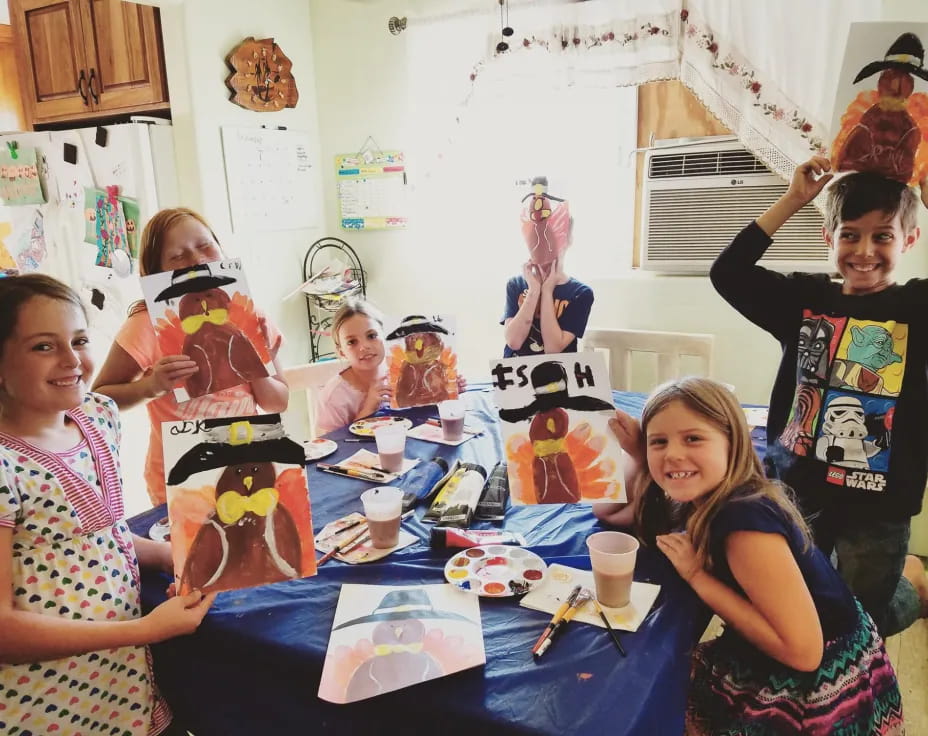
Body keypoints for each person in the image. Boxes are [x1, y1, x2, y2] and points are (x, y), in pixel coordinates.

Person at [605, 377, 904, 734]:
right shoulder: (708, 493)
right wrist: (638, 455)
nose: (672, 454)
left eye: (693, 438)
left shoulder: (744, 526)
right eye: (660, 441)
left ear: (733, 444)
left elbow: (804, 654)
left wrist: (697, 577)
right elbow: (610, 513)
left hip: (815, 679)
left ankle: (911, 585)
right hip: (783, 641)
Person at [709, 156, 928, 636]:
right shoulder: (804, 299)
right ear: (828, 238)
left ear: (909, 240)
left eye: (883, 236)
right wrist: (792, 200)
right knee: (790, 601)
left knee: (859, 624)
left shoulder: (917, 307)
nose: (864, 250)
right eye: (849, 234)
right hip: (796, 488)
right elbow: (727, 272)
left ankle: (913, 584)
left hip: (879, 507)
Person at [0, 274, 215, 735]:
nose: (72, 360)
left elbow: (100, 536)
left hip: (127, 691)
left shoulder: (98, 416)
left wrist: (174, 555)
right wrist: (147, 629)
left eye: (79, 339)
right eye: (43, 346)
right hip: (45, 708)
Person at [92, 207, 289, 506]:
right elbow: (99, 398)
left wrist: (256, 365)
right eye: (177, 256)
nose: (196, 261)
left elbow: (277, 402)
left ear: (221, 248)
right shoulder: (145, 325)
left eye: (205, 246)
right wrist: (150, 387)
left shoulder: (250, 315)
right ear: (156, 272)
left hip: (246, 464)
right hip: (182, 477)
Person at [316, 299, 468, 435]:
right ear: (341, 351)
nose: (364, 347)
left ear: (385, 335)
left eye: (371, 336)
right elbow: (334, 446)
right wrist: (369, 407)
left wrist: (447, 392)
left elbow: (423, 410)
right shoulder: (333, 397)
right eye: (352, 342)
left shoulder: (401, 370)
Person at [502, 176, 593, 356]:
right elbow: (513, 341)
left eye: (554, 237)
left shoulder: (580, 293)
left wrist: (548, 291)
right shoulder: (516, 285)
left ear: (568, 240)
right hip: (515, 379)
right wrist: (534, 290)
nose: (545, 245)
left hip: (556, 377)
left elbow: (553, 348)